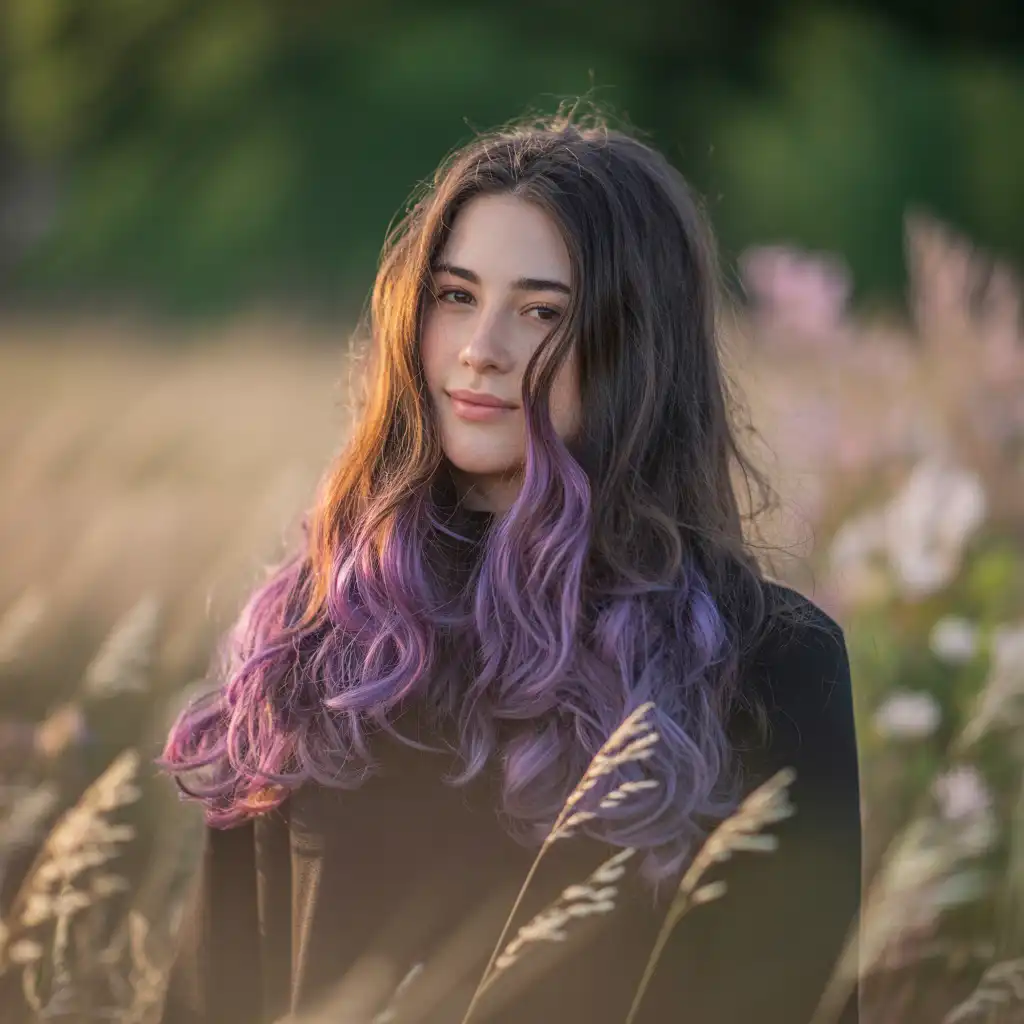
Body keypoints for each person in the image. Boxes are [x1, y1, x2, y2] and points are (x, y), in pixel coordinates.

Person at [156, 103, 861, 1024]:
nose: (481, 352)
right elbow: (214, 996)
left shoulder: (768, 664)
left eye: (541, 313)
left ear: (635, 349)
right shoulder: (314, 634)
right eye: (456, 296)